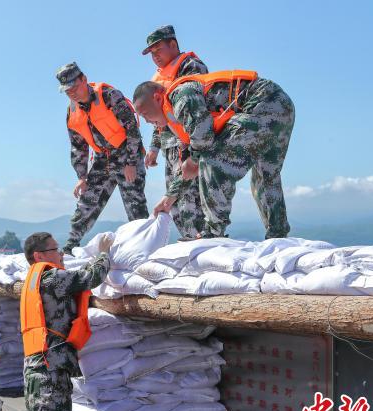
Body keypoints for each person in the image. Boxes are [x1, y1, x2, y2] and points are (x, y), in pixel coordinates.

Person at [133, 69, 294, 238]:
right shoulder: (177, 117)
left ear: (157, 98)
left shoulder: (181, 96)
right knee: (265, 175)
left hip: (262, 103)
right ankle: (278, 235)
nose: (146, 121)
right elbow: (191, 163)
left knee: (212, 161)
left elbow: (202, 143)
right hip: (281, 104)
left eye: (144, 114)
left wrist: (194, 161)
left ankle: (213, 232)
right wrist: (169, 198)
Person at [20, 232, 112, 411]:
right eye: (55, 250)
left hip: (42, 367)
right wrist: (103, 254)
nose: (61, 254)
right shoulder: (50, 278)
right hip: (48, 371)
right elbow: (90, 277)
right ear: (39, 255)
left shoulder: (36, 279)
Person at [57, 62, 148, 253]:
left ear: (84, 79)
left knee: (135, 204)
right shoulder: (72, 111)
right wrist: (82, 177)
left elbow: (132, 129)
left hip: (126, 154)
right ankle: (70, 246)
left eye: (74, 86)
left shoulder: (109, 96)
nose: (71, 92)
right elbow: (78, 147)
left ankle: (144, 247)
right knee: (86, 201)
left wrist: (131, 162)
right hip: (102, 158)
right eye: (67, 90)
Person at [142, 24, 209, 239]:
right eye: (151, 53)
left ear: (173, 44)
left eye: (158, 50)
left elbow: (193, 111)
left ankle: (203, 242)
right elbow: (157, 113)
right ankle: (189, 242)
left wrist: (192, 151)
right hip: (169, 146)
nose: (155, 57)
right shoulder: (158, 78)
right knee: (176, 202)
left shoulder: (191, 66)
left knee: (192, 198)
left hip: (189, 144)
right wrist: (154, 147)